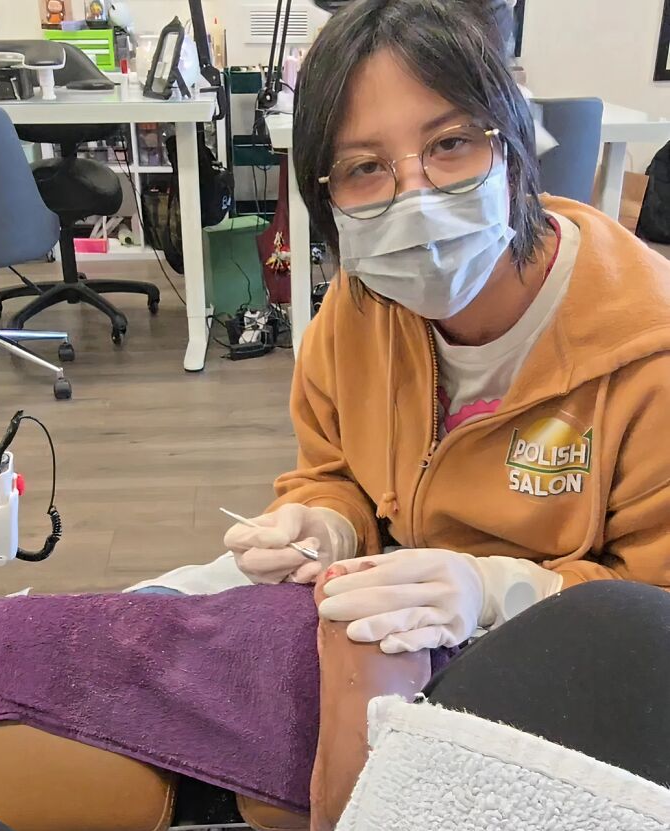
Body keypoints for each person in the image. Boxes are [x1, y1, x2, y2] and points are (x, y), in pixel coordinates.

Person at [225, 0, 670, 654]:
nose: (416, 197)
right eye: (365, 168)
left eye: (452, 144)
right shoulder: (354, 312)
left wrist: (497, 591)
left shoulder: (647, 356)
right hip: (387, 613)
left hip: (575, 657)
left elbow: (654, 604)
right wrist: (322, 527)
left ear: (514, 148)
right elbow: (335, 473)